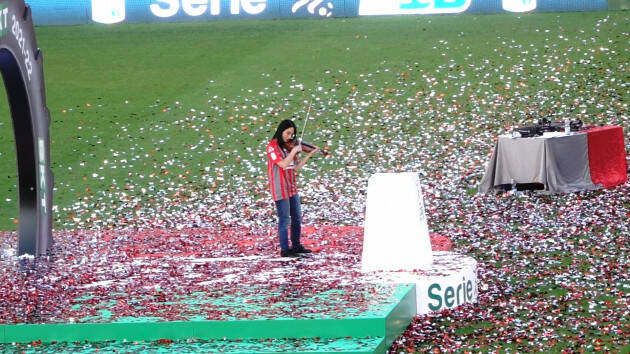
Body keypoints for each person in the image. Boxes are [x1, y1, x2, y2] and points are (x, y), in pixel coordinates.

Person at [266, 119, 320, 257]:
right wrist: (294, 151)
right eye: (288, 133)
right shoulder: (272, 146)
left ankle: (296, 246)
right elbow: (283, 164)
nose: (290, 137)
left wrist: (309, 153)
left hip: (291, 186)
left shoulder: (288, 147)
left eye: (292, 134)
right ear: (281, 131)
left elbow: (295, 167)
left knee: (296, 218)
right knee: (285, 219)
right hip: (280, 187)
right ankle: (285, 249)